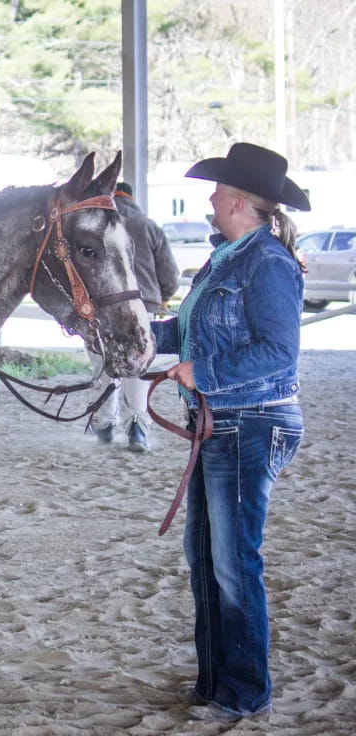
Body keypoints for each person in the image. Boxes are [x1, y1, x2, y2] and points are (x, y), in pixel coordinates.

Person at [152, 142, 308, 723]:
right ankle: (217, 682)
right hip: (219, 423)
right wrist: (133, 334)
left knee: (234, 562)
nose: (210, 199)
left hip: (249, 421)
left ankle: (243, 691)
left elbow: (278, 351)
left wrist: (204, 373)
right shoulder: (229, 257)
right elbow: (190, 329)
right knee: (207, 555)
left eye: (217, 191)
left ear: (239, 200)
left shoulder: (265, 262)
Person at [89, 181, 179, 451]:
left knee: (103, 366)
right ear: (131, 196)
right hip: (143, 306)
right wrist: (162, 297)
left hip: (102, 309)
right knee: (138, 368)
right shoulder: (148, 225)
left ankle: (104, 425)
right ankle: (137, 429)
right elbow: (170, 274)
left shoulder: (96, 225)